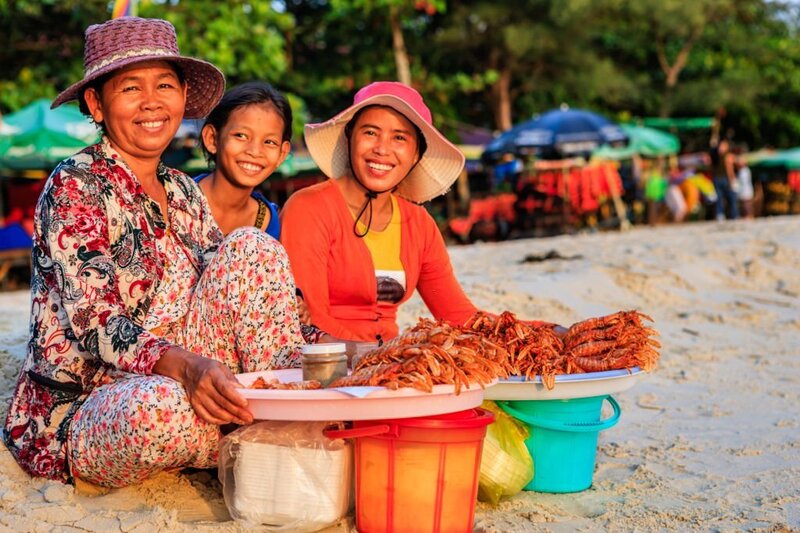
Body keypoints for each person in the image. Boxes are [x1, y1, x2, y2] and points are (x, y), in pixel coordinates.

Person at [3, 17, 317, 489]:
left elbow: (242, 288)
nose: (152, 102)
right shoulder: (76, 183)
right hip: (93, 401)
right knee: (160, 412)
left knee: (253, 246)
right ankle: (269, 428)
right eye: (131, 87)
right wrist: (189, 368)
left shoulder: (182, 190)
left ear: (182, 96)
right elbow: (98, 324)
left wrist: (329, 348)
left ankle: (282, 409)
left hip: (188, 371)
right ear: (97, 103)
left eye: (165, 85)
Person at [282, 82, 496, 343]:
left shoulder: (419, 224)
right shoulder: (308, 208)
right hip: (327, 363)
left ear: (416, 154)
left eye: (399, 138)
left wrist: (546, 330)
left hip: (391, 368)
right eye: (370, 133)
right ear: (350, 137)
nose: (382, 149)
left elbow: (459, 316)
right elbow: (310, 320)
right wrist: (378, 358)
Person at [195, 82, 291, 239]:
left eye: (269, 142)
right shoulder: (174, 201)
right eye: (241, 135)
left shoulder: (270, 225)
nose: (254, 151)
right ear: (212, 139)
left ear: (282, 153)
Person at [710, 139, 739, 220]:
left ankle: (732, 214)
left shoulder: (727, 156)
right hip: (718, 179)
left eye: (723, 146)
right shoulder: (715, 156)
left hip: (724, 179)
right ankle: (723, 214)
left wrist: (731, 180)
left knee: (729, 197)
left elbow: (729, 170)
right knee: (722, 197)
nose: (721, 148)